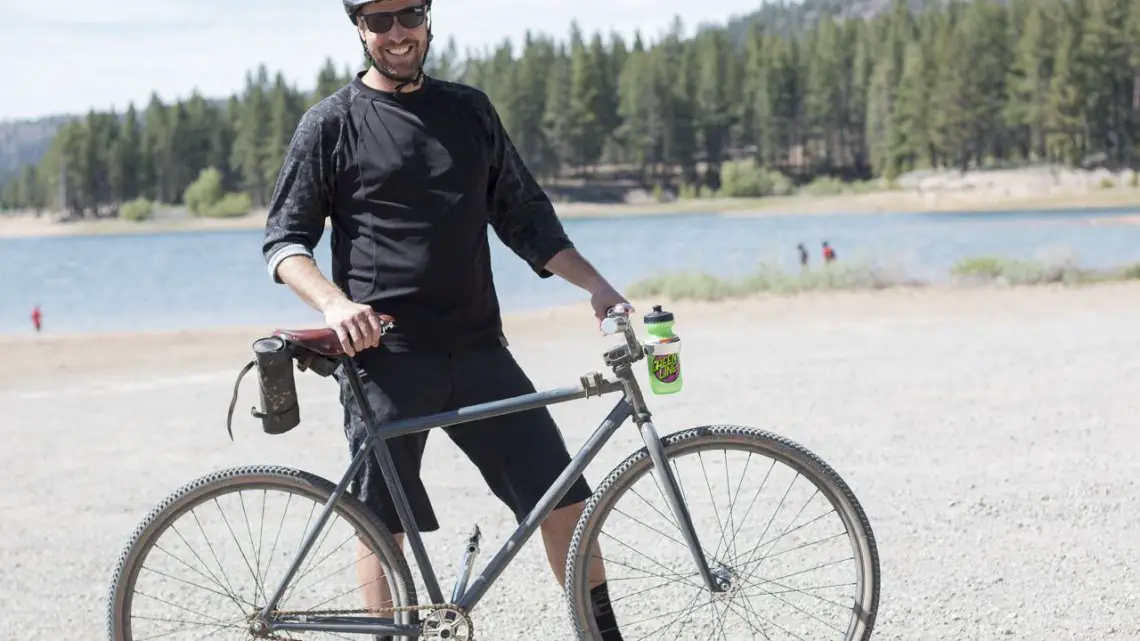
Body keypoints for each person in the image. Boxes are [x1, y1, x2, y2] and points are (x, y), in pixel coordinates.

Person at [261, 1, 628, 639]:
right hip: (385, 358)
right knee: (382, 522)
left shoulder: (470, 111)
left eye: (407, 15)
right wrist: (335, 304)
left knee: (565, 500)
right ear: (360, 31)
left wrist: (598, 287)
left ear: (428, 20)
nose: (396, 32)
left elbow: (526, 218)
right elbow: (285, 243)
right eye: (379, 21)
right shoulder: (330, 124)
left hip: (480, 348)